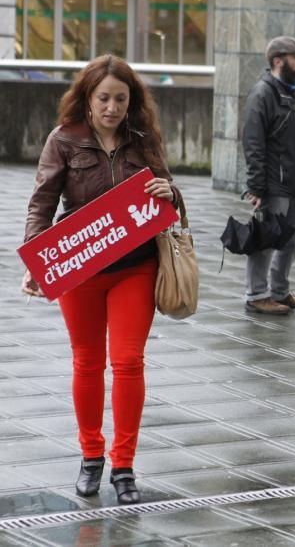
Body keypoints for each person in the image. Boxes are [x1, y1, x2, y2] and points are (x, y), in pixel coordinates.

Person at [21, 55, 181, 505]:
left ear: (132, 103)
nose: (112, 107)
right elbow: (42, 203)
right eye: (104, 98)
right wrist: (38, 260)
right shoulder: (64, 140)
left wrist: (171, 192)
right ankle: (91, 456)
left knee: (128, 360)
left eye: (121, 99)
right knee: (88, 363)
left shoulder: (143, 139)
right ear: (87, 99)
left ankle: (124, 464)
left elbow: (169, 197)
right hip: (81, 269)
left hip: (137, 266)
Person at [242, 35, 295, 316]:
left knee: (294, 236)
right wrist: (257, 187)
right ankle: (256, 294)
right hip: (273, 185)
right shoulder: (263, 94)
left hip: (293, 184)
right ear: (278, 61)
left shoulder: (290, 92)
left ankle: (278, 289)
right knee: (266, 239)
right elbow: (253, 143)